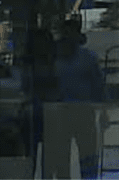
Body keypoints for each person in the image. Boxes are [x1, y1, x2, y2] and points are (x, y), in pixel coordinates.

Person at [44, 16, 105, 179]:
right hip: (61, 113)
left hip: (83, 111)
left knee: (88, 155)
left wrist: (103, 111)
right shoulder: (54, 59)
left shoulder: (88, 57)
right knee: (61, 157)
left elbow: (98, 86)